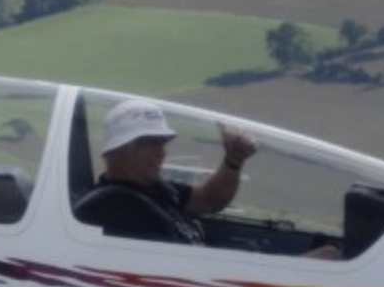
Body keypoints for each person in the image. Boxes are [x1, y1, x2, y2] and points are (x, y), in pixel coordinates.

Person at [74, 98, 257, 244]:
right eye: (153, 143)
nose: (163, 153)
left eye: (162, 143)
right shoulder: (112, 206)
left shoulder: (152, 189)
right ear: (123, 149)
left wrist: (233, 161)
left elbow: (208, 200)